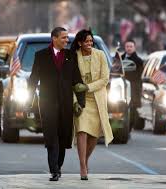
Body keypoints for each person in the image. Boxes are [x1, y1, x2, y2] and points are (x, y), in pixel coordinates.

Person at [28, 27, 85, 181]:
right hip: (47, 103)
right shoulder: (40, 56)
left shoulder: (70, 56)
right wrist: (29, 100)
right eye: (64, 38)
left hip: (66, 104)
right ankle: (54, 170)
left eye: (67, 38)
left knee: (62, 136)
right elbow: (33, 80)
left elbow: (77, 80)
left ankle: (58, 166)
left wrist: (81, 102)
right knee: (51, 136)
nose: (67, 40)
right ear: (54, 38)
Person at [70, 29, 114, 180]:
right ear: (80, 43)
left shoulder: (100, 55)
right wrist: (75, 101)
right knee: (81, 130)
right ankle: (83, 166)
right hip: (81, 100)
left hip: (96, 99)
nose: (89, 44)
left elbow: (105, 79)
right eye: (86, 41)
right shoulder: (74, 56)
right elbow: (72, 82)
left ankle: (86, 160)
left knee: (94, 135)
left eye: (91, 41)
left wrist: (88, 87)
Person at [121, 39, 144, 129]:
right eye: (127, 46)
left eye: (131, 46)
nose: (129, 48)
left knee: (132, 108)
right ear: (125, 47)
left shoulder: (139, 61)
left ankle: (129, 127)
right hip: (121, 87)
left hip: (133, 88)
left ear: (134, 47)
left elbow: (139, 76)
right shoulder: (120, 59)